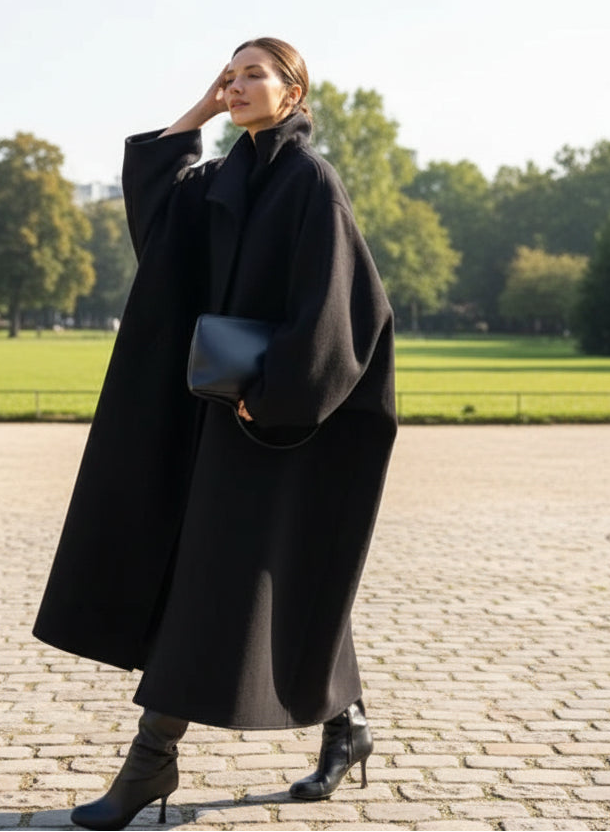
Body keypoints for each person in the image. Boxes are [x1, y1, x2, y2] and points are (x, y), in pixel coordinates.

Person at [33, 36, 397, 831]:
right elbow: (157, 213)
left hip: (276, 421)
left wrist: (272, 400)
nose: (235, 84)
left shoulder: (312, 184)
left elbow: (344, 313)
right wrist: (200, 113)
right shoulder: (222, 180)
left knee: (215, 581)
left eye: (252, 74)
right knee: (268, 575)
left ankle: (150, 763)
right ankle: (349, 724)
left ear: (294, 93)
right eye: (227, 76)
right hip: (211, 414)